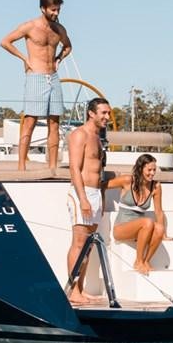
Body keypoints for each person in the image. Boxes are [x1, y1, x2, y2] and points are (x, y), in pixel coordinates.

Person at [0, 0, 73, 171]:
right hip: (36, 77)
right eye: (53, 10)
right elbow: (5, 42)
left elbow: (68, 46)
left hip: (53, 78)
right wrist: (24, 58)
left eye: (58, 10)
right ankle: (21, 166)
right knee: (30, 121)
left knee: (54, 123)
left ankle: (53, 166)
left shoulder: (59, 29)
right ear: (43, 8)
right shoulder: (30, 26)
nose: (56, 13)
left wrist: (58, 59)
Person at [64, 97, 112, 305]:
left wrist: (99, 199)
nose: (107, 117)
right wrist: (83, 199)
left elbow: (99, 171)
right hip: (81, 193)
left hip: (95, 194)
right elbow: (74, 168)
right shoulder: (79, 134)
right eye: (103, 113)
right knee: (79, 243)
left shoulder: (98, 137)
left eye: (109, 113)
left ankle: (80, 290)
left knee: (88, 247)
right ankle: (72, 291)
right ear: (91, 113)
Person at [105, 154, 167, 274]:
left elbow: (159, 211)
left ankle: (145, 261)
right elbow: (103, 186)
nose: (152, 173)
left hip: (141, 229)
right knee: (148, 222)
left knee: (159, 229)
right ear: (140, 169)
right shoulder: (128, 181)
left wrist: (164, 235)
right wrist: (101, 202)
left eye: (154, 170)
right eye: (149, 170)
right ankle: (138, 262)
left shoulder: (156, 186)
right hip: (121, 228)